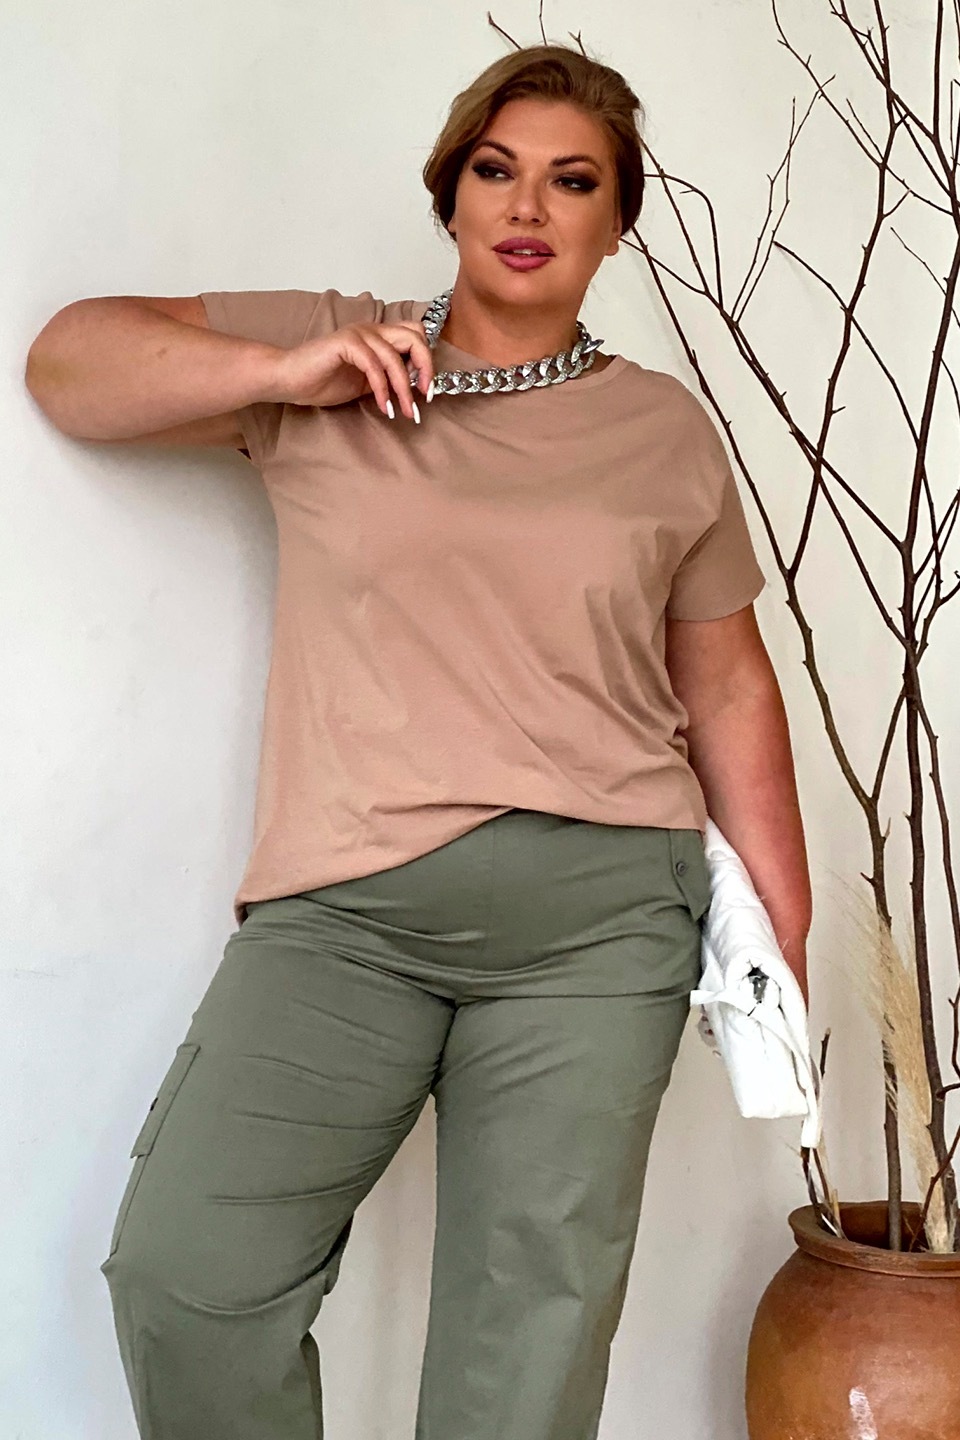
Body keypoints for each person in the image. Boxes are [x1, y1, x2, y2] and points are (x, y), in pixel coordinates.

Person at [25, 41, 812, 1440]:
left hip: (602, 924)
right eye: (496, 170)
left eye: (575, 181)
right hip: (346, 918)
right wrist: (291, 366)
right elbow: (67, 365)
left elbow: (731, 686)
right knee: (187, 1276)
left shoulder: (663, 431)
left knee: (528, 1351)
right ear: (449, 195)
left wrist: (780, 944)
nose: (529, 204)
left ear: (616, 224)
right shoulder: (339, 351)